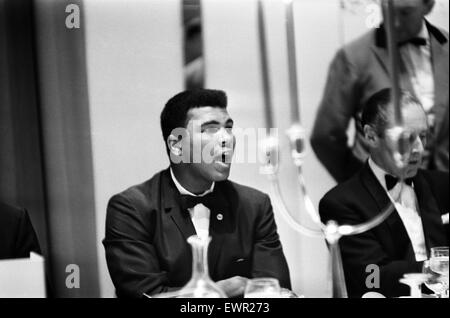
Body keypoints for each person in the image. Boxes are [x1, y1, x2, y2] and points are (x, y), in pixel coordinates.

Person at [103, 89, 291, 298]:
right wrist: (222, 291)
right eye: (210, 129)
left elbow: (276, 292)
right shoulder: (132, 208)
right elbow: (144, 296)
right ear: (176, 146)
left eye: (228, 128)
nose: (226, 139)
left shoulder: (254, 205)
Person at [319, 88, 449, 298]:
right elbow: (371, 277)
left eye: (423, 136)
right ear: (371, 136)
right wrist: (436, 271)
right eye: (406, 139)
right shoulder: (340, 203)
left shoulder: (444, 186)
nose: (419, 148)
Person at [311, 0, 449, 183]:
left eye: (406, 13)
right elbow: (325, 136)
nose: (396, 22)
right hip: (384, 196)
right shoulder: (354, 58)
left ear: (428, 6)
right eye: (389, 12)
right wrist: (359, 185)